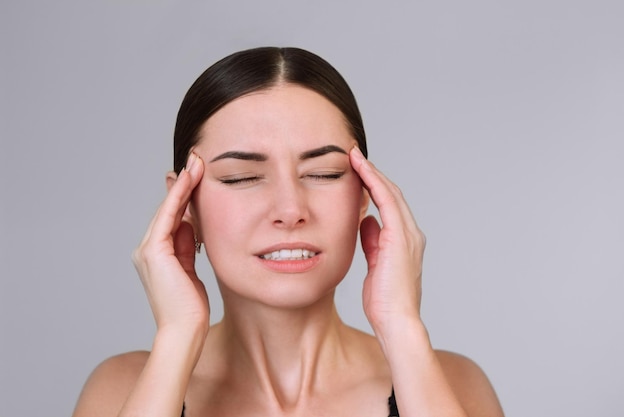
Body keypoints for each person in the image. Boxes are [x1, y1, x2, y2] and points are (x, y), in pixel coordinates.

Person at [72, 46, 504, 417]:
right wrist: (177, 338)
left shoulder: (453, 385)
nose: (290, 210)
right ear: (183, 206)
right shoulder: (122, 391)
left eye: (324, 173)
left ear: (365, 195)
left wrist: (403, 330)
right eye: (242, 177)